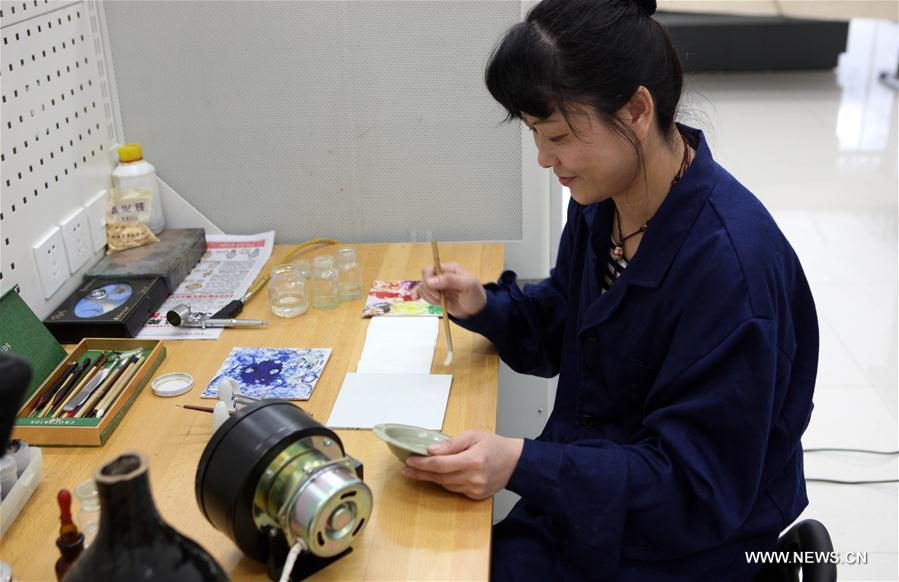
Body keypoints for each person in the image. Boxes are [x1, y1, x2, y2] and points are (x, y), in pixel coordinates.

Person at [405, 0, 819, 579]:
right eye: (534, 134)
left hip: (675, 549)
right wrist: (484, 306)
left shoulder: (730, 273)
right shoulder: (607, 202)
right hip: (588, 509)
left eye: (557, 135)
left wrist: (523, 463)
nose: (546, 158)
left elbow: (693, 492)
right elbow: (571, 325)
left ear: (637, 111)